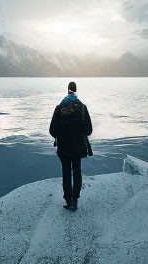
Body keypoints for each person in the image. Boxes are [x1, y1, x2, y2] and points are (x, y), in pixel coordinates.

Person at [49, 81, 93, 211]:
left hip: (63, 147)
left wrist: (61, 134)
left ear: (67, 90)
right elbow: (89, 130)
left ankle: (68, 201)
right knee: (77, 172)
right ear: (75, 90)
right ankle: (75, 201)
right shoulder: (82, 108)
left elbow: (52, 130)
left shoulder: (59, 108)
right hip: (78, 147)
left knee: (66, 173)